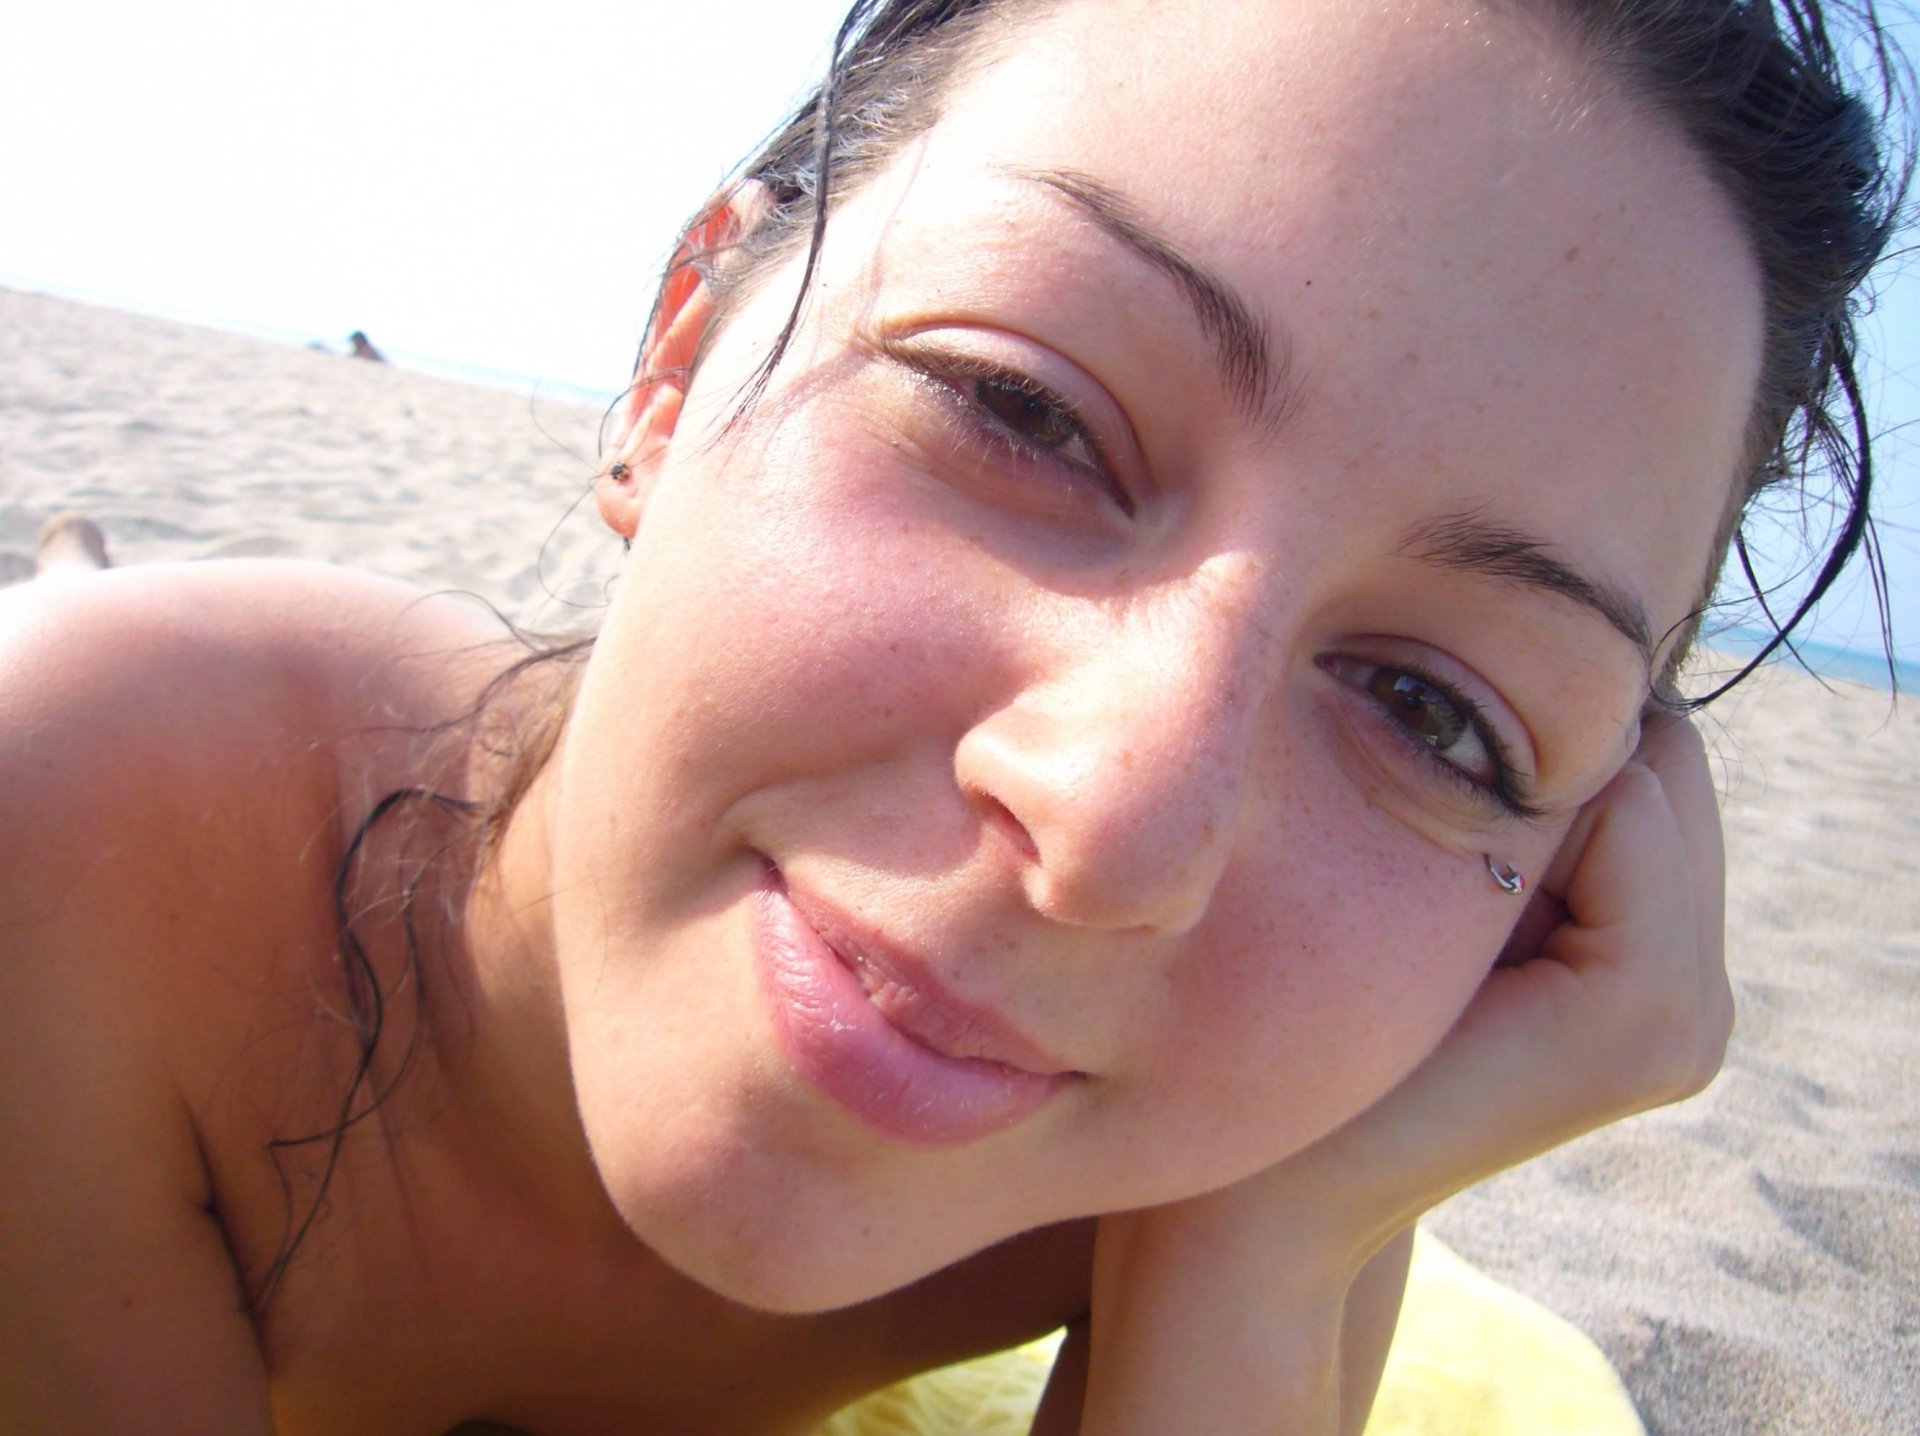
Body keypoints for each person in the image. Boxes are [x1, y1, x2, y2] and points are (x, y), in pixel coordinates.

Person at [0, 0, 1903, 1431]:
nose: (1120, 834)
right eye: (1027, 412)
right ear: (678, 360)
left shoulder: (1230, 1125)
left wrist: (1257, 1255)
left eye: (1434, 712)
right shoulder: (71, 848)